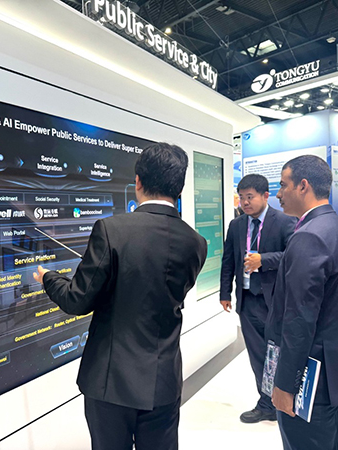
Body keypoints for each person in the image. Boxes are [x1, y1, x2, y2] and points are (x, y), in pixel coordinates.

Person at [32, 142, 207, 450]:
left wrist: (49, 278)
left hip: (111, 382)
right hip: (164, 379)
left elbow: (77, 300)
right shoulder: (196, 242)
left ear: (138, 181)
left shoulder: (112, 230)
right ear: (179, 187)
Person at [267, 155, 338, 450]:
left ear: (303, 186)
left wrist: (285, 384)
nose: (278, 194)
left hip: (312, 380)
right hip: (336, 371)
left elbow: (299, 319)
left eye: (283, 185)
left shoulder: (309, 237)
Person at [219, 174, 296, 423]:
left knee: (277, 353)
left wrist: (264, 260)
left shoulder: (285, 221)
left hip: (274, 301)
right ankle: (267, 403)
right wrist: (224, 293)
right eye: (241, 197)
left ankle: (285, 400)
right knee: (257, 354)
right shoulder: (237, 225)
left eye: (250, 197)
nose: (245, 202)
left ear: (265, 196)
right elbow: (228, 260)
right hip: (247, 300)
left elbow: (294, 256)